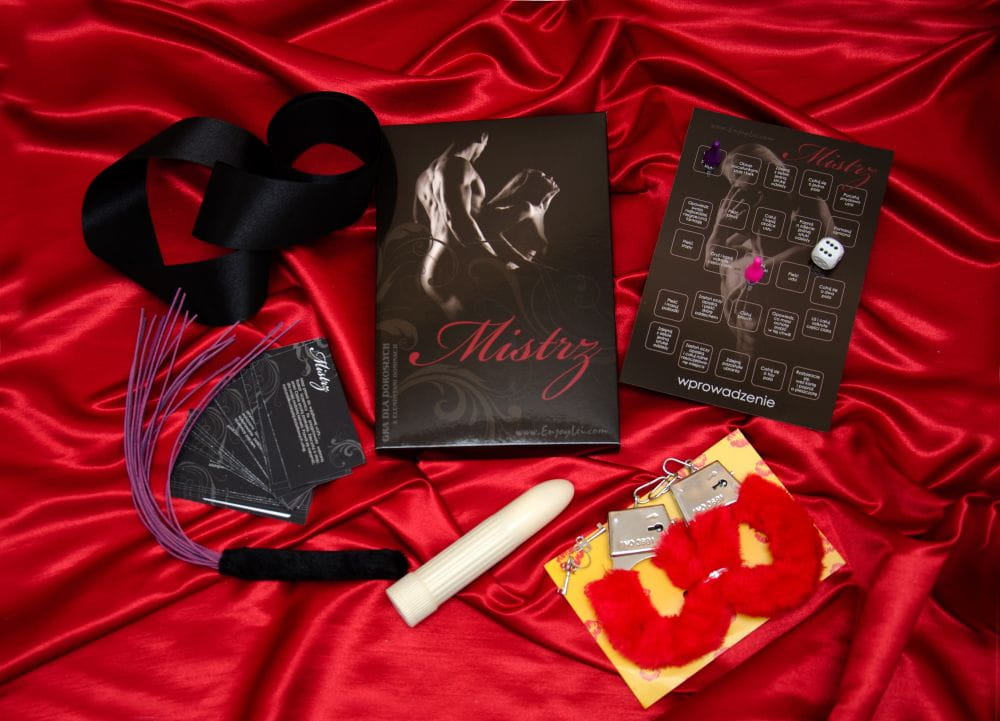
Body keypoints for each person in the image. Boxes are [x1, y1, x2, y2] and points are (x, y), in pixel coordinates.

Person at [412, 131, 559, 317]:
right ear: (482, 136)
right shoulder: (458, 165)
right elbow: (459, 223)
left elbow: (420, 224)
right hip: (462, 264)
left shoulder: (422, 178)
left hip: (431, 267)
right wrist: (498, 263)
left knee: (466, 331)